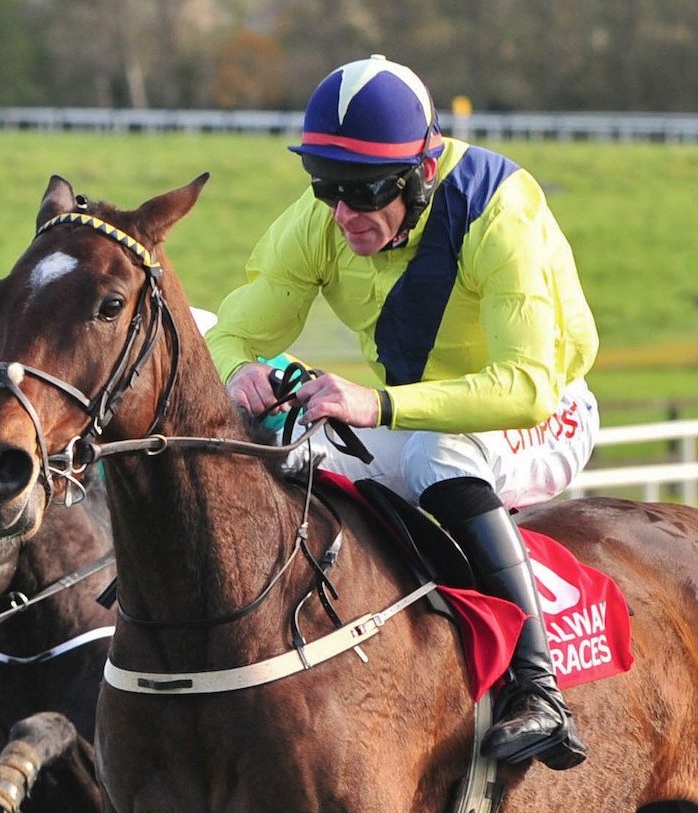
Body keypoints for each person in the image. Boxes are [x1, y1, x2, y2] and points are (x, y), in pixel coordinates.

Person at [207, 55, 600, 770]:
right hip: (419, 412)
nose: (343, 213)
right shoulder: (320, 223)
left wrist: (376, 402)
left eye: (363, 192)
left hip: (545, 408)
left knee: (434, 452)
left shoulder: (499, 212)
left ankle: (537, 687)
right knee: (288, 433)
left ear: (420, 173)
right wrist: (242, 373)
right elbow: (227, 331)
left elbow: (529, 385)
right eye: (326, 188)